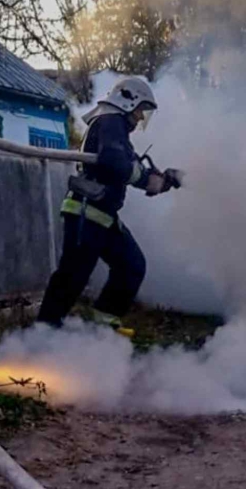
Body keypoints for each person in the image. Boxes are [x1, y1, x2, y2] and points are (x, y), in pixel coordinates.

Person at [36, 77, 181, 334]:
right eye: (139, 110)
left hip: (102, 215)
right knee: (73, 276)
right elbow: (113, 162)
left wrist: (160, 181)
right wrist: (147, 180)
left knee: (131, 265)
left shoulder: (117, 131)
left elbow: (127, 167)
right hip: (85, 212)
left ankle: (103, 328)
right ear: (128, 100)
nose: (140, 118)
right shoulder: (110, 121)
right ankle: (43, 335)